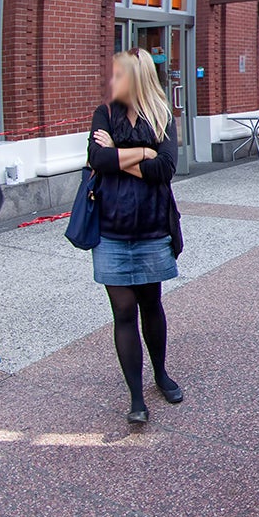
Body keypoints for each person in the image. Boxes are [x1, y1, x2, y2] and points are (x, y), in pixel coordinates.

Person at [87, 49, 184, 425]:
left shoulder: (161, 115)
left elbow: (165, 169)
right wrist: (142, 154)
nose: (111, 81)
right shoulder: (104, 114)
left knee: (151, 305)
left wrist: (125, 154)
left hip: (150, 228)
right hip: (110, 230)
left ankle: (160, 374)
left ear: (136, 78)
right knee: (123, 311)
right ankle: (135, 395)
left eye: (118, 75)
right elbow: (98, 160)